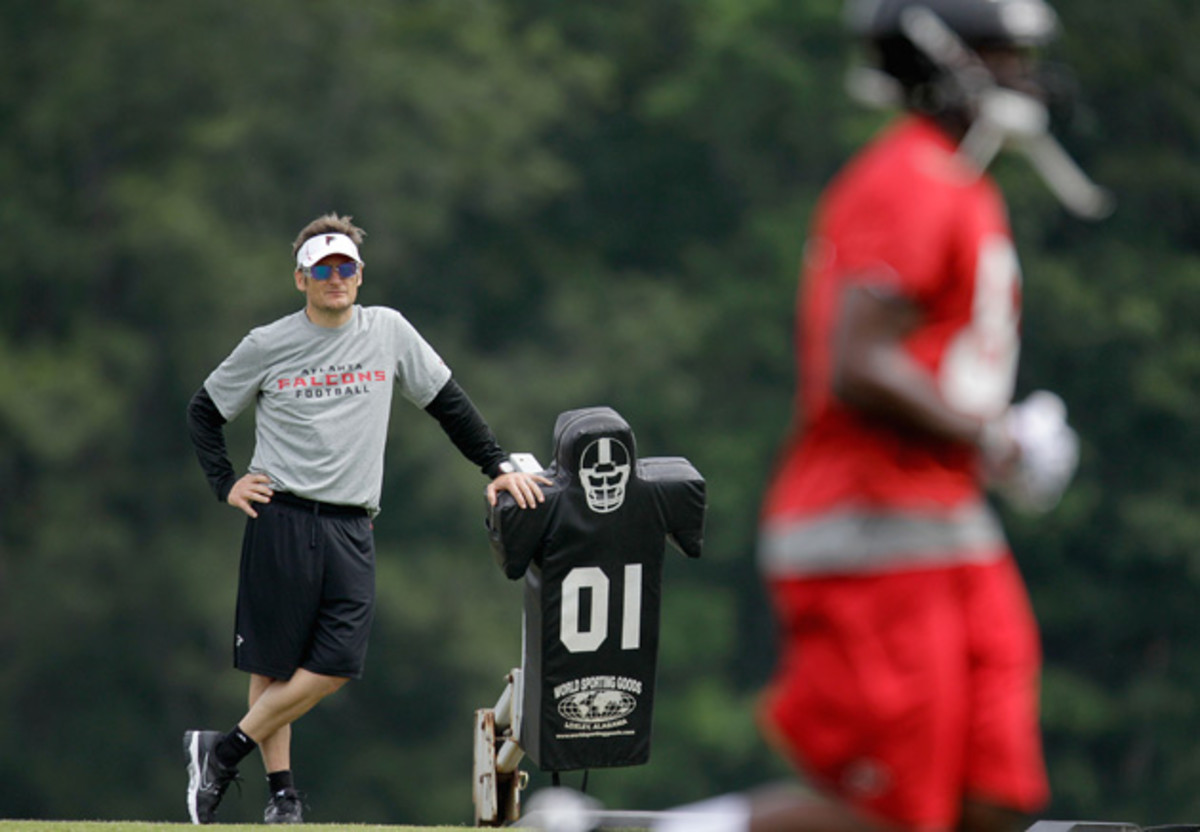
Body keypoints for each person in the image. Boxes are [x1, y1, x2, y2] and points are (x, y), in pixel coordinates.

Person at [656, 2, 1092, 832]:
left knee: (992, 798)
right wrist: (994, 433)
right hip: (872, 523)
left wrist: (989, 443)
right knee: (894, 812)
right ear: (945, 53)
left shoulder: (954, 182)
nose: (1023, 74)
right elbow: (857, 364)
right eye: (1005, 52)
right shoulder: (911, 177)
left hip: (945, 522)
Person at [184, 212, 550, 825]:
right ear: (301, 278)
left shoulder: (388, 331)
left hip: (353, 524)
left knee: (334, 666)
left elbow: (448, 404)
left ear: (360, 275)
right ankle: (283, 797)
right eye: (322, 268)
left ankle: (222, 750)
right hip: (282, 515)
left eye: (345, 267)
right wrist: (226, 484)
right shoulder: (267, 344)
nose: (335, 278)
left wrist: (497, 467)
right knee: (275, 665)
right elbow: (204, 412)